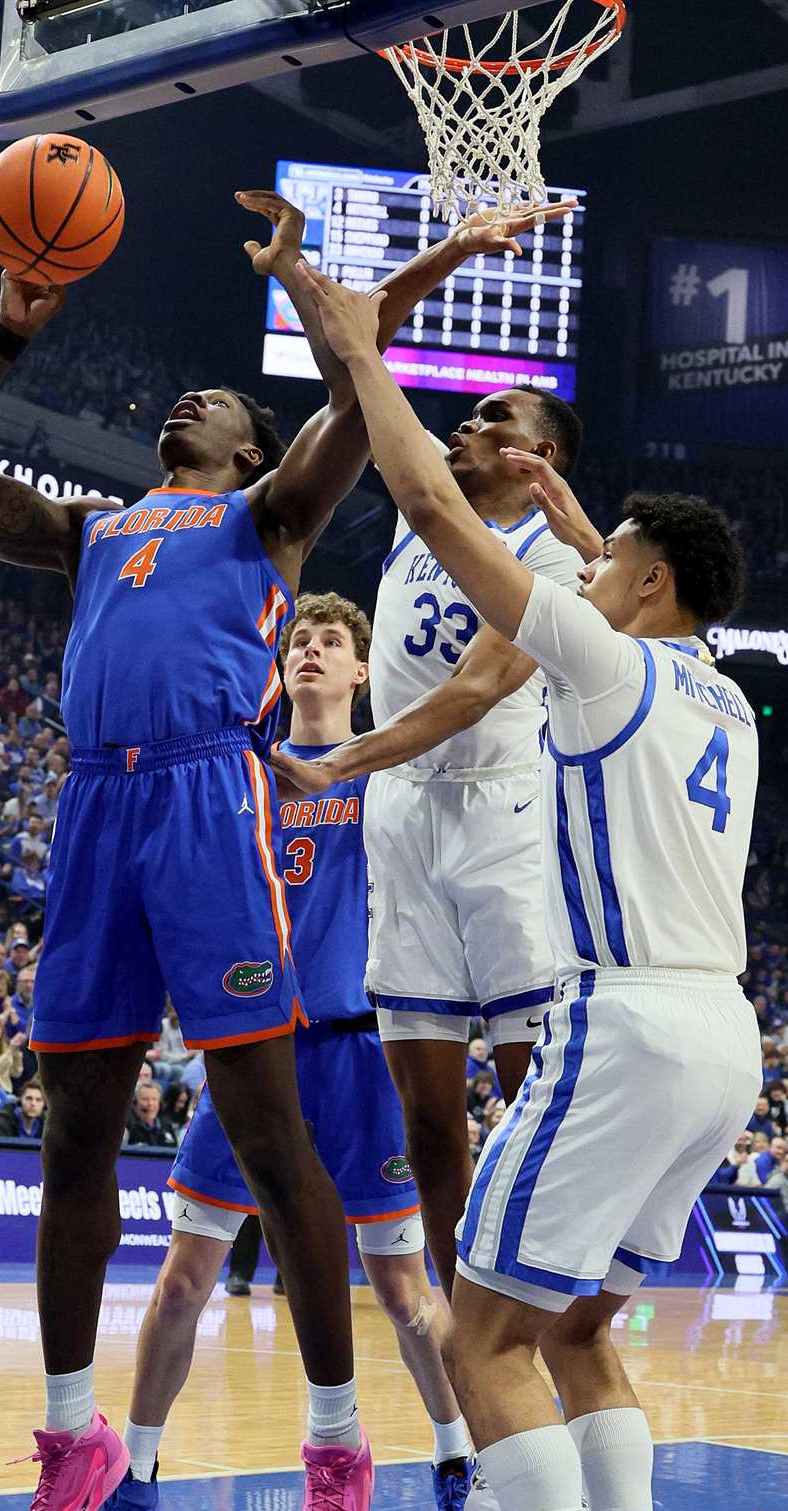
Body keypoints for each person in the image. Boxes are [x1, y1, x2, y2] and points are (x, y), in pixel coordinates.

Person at [0, 193, 401, 1511]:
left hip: (202, 806)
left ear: (250, 448)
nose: (193, 397)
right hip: (93, 811)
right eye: (188, 396)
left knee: (266, 1132)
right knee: (74, 1142)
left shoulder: (271, 515)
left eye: (223, 399)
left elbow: (360, 409)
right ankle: (72, 1436)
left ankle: (338, 1449)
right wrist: (3, 337)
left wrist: (308, 280)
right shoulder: (97, 528)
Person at [301, 260, 758, 1511]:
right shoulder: (728, 696)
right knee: (581, 1333)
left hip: (619, 1022)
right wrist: (582, 526)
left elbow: (435, 508)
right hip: (726, 1041)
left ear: (641, 586)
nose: (583, 558)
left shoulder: (605, 657)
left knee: (484, 1332)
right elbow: (601, 564)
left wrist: (364, 349)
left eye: (604, 549)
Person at [92, 594, 484, 1511]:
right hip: (252, 1051)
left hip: (358, 1053)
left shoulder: (388, 776)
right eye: (298, 640)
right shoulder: (238, 776)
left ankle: (458, 1463)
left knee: (402, 1292)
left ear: (362, 671)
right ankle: (135, 1474)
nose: (311, 651)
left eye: (332, 642)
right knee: (183, 1278)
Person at [272, 199, 584, 1298]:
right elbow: (356, 359)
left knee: (528, 1103)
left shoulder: (561, 561)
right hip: (405, 822)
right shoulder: (427, 510)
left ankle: (537, 1330)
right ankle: (469, 1357)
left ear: (533, 453)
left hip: (503, 821)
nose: (458, 424)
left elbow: (473, 690)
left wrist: (342, 761)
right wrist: (438, 253)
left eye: (487, 415)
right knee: (428, 1126)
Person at [125, 1080, 177, 1149]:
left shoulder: (167, 1126)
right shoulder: (126, 1127)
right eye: (145, 1099)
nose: (150, 1104)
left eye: (154, 1099)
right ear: (135, 1102)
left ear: (160, 1103)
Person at [0, 1076, 46, 1140]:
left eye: (38, 1100)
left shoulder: (46, 1127)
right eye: (29, 1098)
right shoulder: (4, 1123)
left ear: (44, 1104)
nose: (33, 1103)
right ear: (21, 1100)